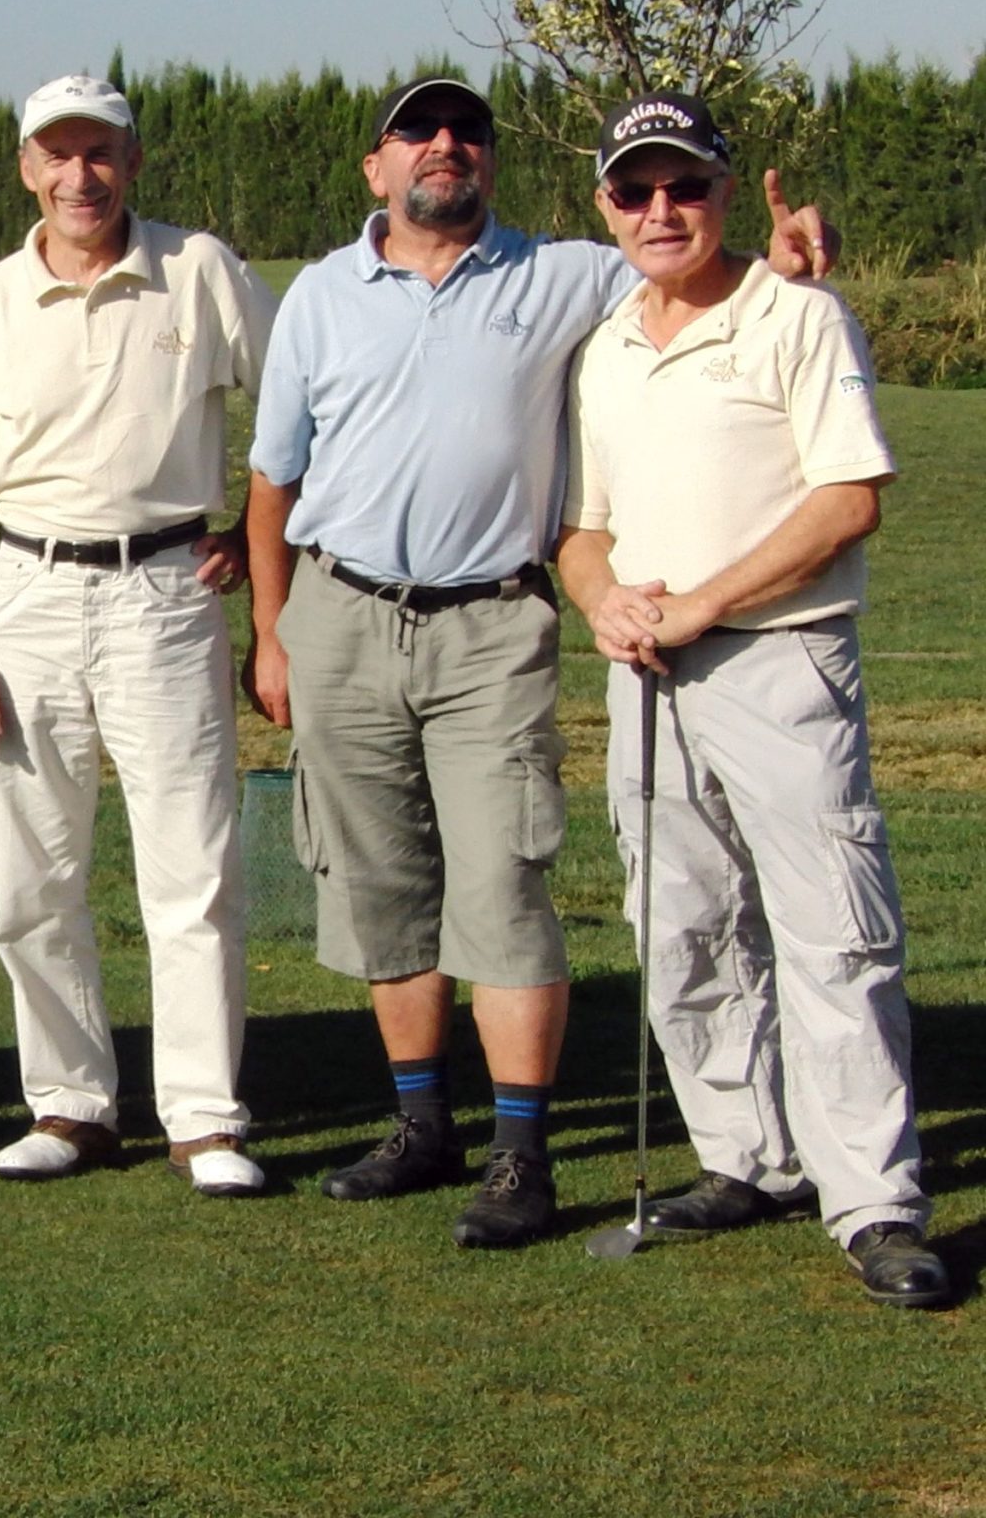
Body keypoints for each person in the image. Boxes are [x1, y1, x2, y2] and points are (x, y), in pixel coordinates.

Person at [245, 75, 833, 1251]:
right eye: (417, 131)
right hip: (338, 617)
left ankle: (520, 1156)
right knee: (378, 885)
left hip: (491, 626)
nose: (444, 145)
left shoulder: (566, 273)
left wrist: (777, 263)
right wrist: (269, 631)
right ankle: (421, 1127)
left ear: (490, 161)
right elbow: (273, 477)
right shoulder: (318, 295)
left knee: (502, 884)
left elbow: (687, 266)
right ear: (375, 167)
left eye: (465, 131)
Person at [556, 92, 948, 1309]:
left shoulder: (798, 315)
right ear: (605, 207)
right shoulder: (607, 345)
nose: (660, 209)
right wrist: (604, 603)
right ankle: (747, 1156)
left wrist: (700, 603)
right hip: (648, 675)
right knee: (681, 925)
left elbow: (846, 501)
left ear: (726, 192)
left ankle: (874, 1201)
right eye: (635, 190)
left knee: (833, 934)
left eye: (685, 186)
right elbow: (583, 529)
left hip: (781, 659)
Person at [0, 74, 272, 1194]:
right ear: (26, 168)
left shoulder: (199, 269)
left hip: (164, 595)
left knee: (191, 872)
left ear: (133, 161)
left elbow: (300, 408)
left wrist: (250, 530)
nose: (79, 176)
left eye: (100, 153)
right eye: (57, 155)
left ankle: (204, 1120)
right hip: (26, 598)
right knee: (32, 881)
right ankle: (69, 1106)